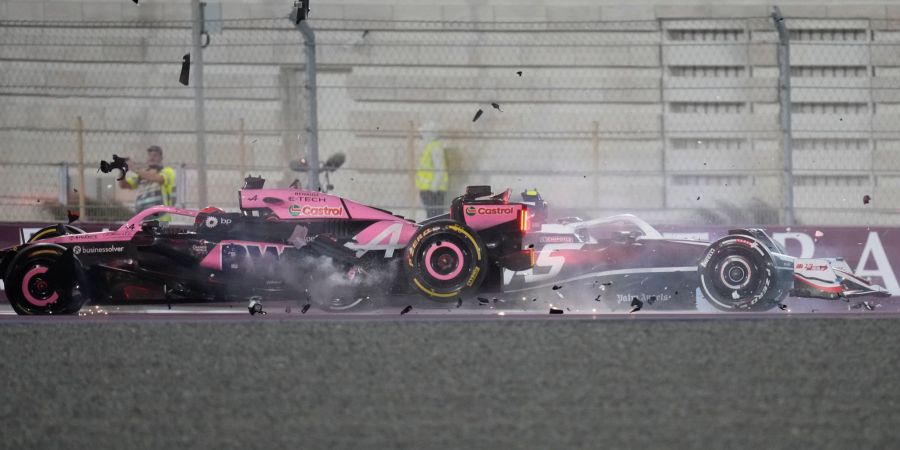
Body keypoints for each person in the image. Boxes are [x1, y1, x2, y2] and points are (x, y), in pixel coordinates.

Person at [118, 145, 177, 221]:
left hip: (161, 220)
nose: (152, 158)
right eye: (150, 155)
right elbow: (124, 185)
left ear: (161, 158)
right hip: (143, 220)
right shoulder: (141, 175)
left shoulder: (168, 171)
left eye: (155, 155)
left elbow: (158, 178)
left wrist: (134, 168)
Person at [415, 121, 448, 218]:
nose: (423, 136)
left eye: (425, 133)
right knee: (431, 217)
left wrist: (434, 187)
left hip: (433, 190)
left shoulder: (435, 147)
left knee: (434, 217)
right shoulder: (430, 146)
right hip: (428, 189)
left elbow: (440, 168)